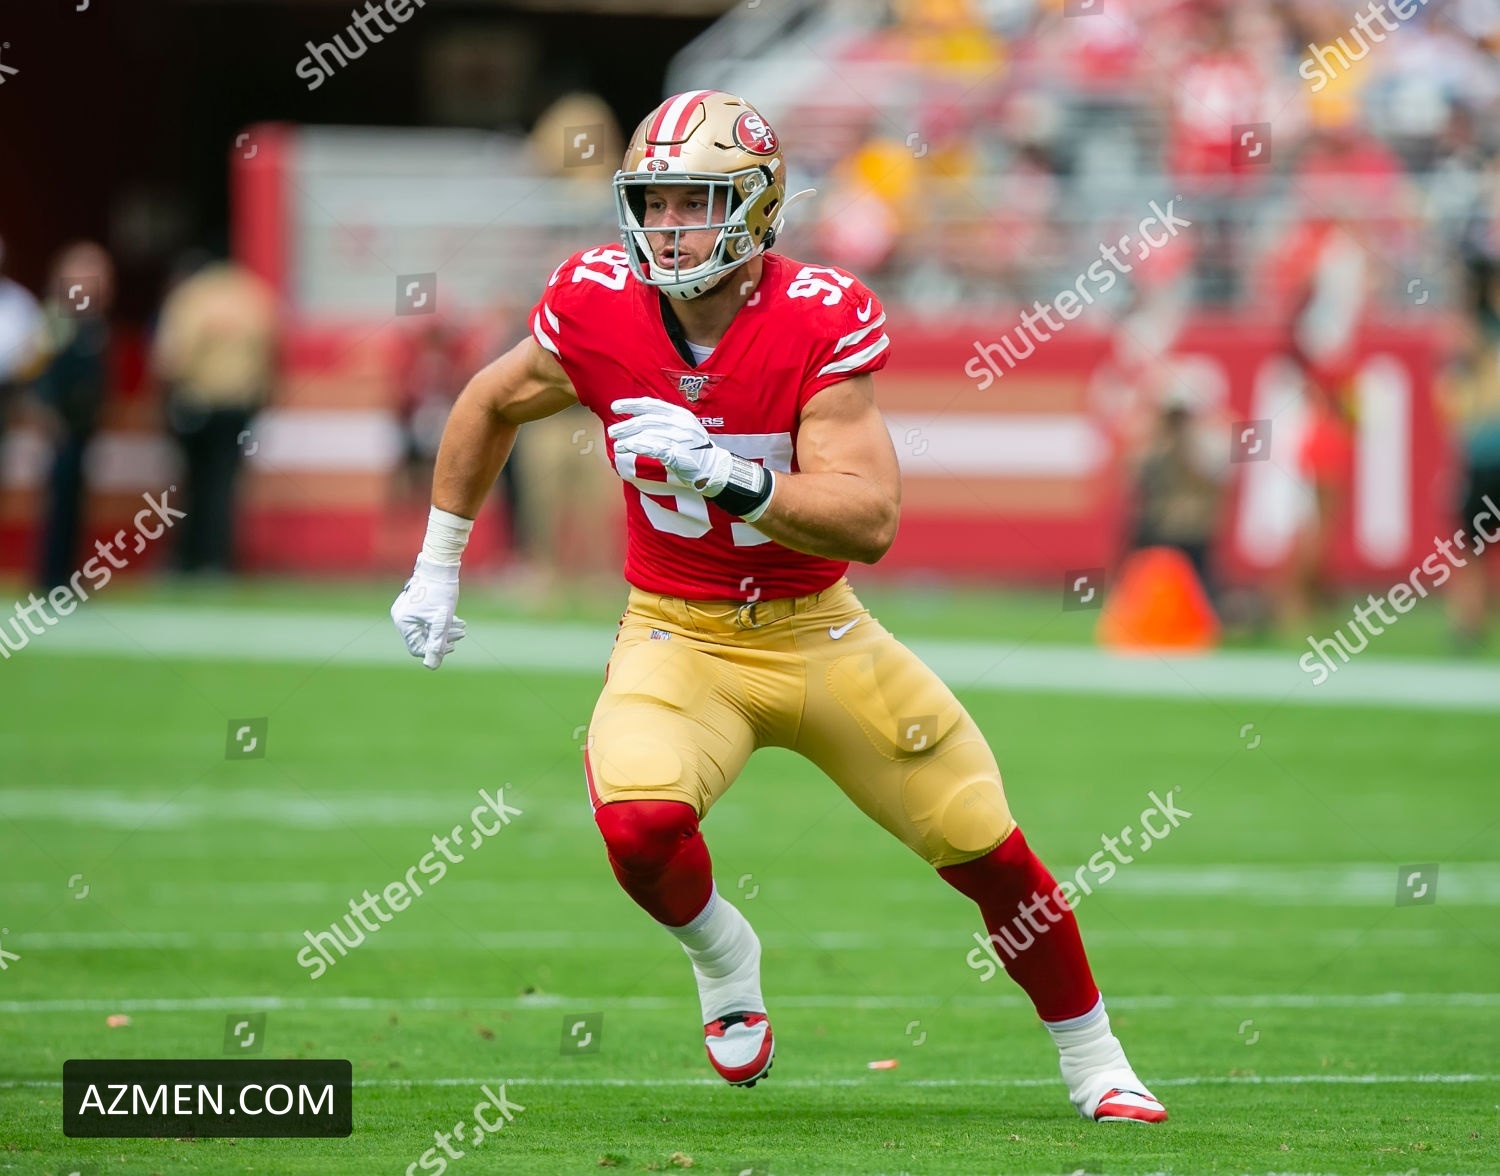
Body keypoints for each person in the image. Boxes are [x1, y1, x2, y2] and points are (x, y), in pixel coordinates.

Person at [390, 90, 1167, 1124]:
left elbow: (870, 519)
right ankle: (724, 955)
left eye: (695, 202)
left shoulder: (815, 316)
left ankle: (1096, 1060)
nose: (669, 227)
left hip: (818, 630)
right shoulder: (596, 300)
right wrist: (438, 563)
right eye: (654, 203)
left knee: (982, 840)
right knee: (640, 825)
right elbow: (492, 399)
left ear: (757, 208)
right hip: (676, 627)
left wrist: (728, 475)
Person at [152, 253, 277, 574]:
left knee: (191, 483)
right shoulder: (253, 296)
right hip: (238, 405)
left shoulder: (190, 297)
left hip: (196, 403)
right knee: (224, 483)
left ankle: (187, 556)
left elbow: (172, 356)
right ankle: (218, 558)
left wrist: (165, 398)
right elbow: (271, 351)